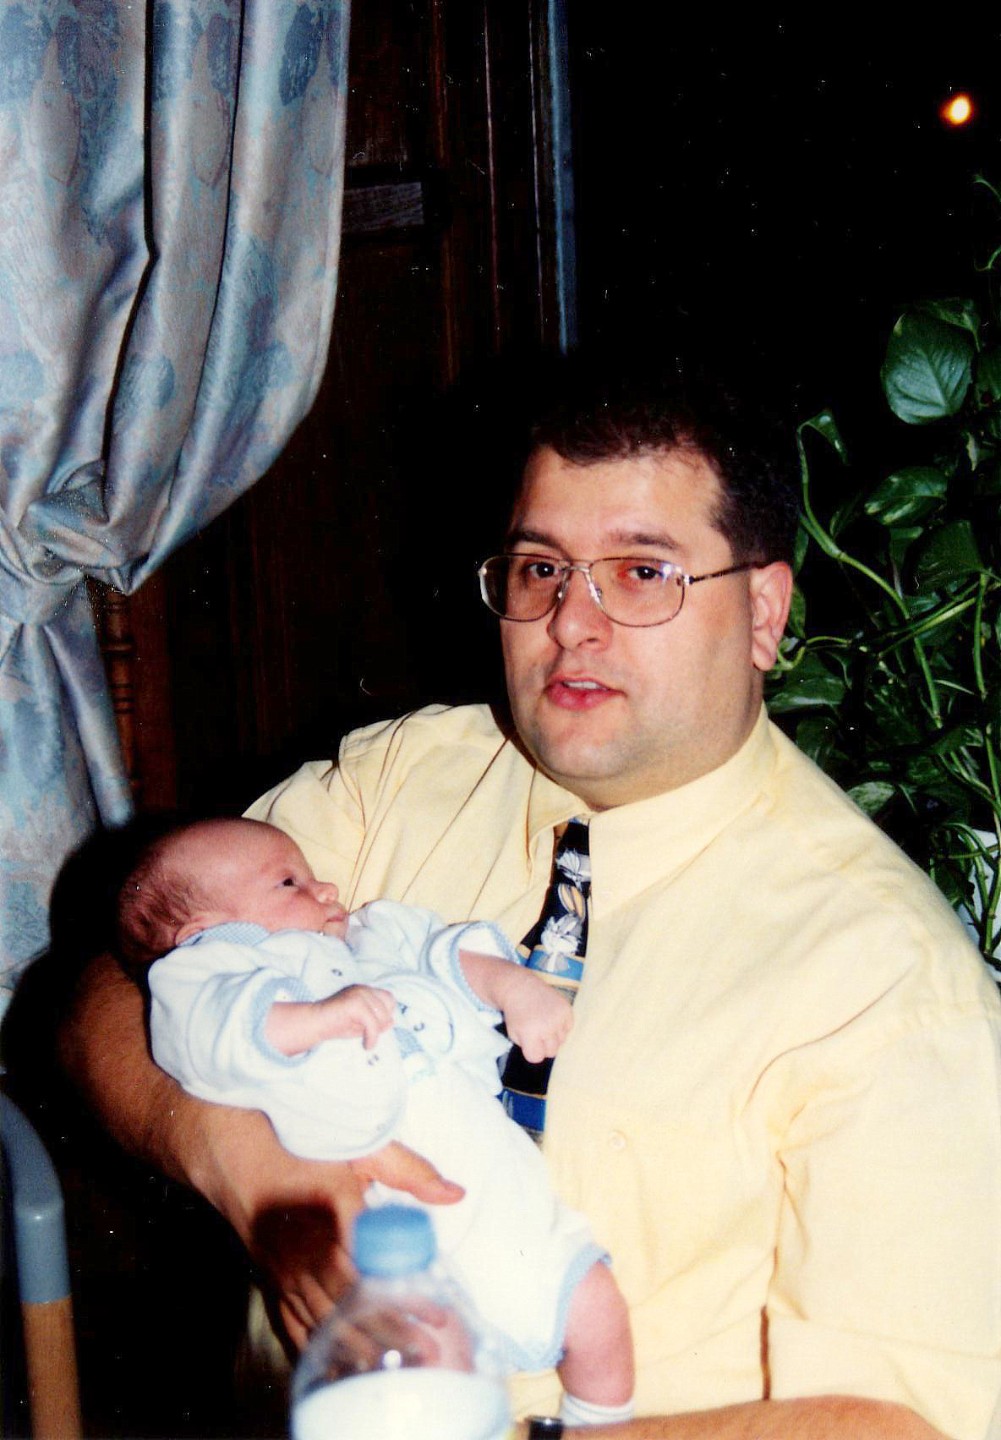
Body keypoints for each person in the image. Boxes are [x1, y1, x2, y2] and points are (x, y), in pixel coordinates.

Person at [60, 366, 1001, 1439]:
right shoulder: (402, 779)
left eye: (640, 573)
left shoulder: (881, 977)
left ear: (762, 613)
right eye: (541, 569)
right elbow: (104, 990)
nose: (571, 625)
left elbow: (897, 1423)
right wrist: (239, 1160)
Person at [116, 814, 634, 1427]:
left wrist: (514, 988)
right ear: (205, 931)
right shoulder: (207, 973)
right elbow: (204, 1034)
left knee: (593, 1300)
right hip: (383, 1223)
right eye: (288, 883)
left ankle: (602, 1423)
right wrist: (318, 1020)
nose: (326, 889)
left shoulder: (376, 935)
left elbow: (450, 954)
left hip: (495, 1192)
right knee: (421, 1378)